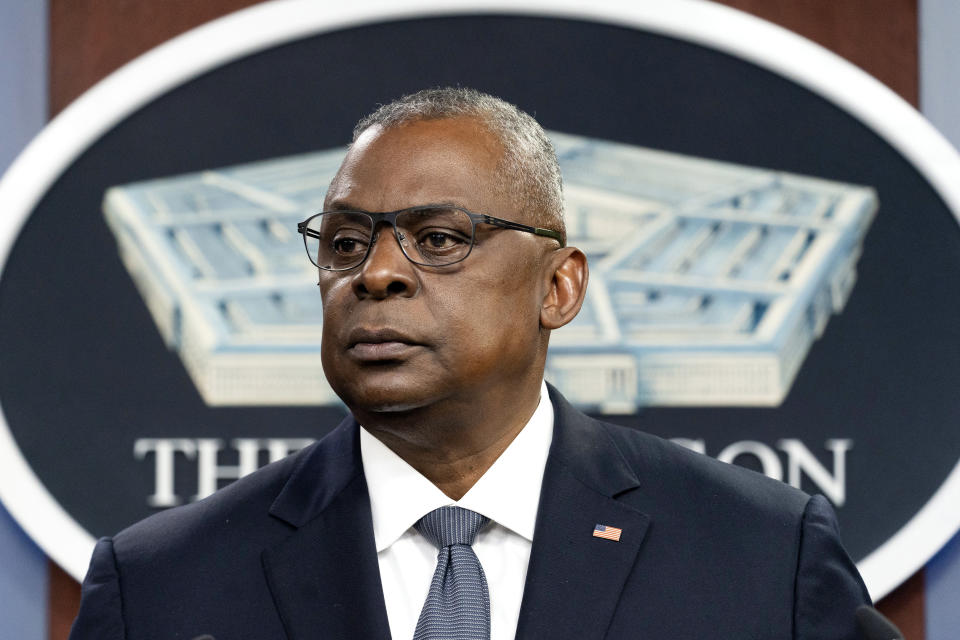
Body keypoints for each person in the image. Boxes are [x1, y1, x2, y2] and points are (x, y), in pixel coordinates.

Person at [70, 87, 870, 640]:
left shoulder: (762, 555)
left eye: (440, 239)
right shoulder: (160, 585)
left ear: (559, 287)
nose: (375, 273)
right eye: (346, 243)